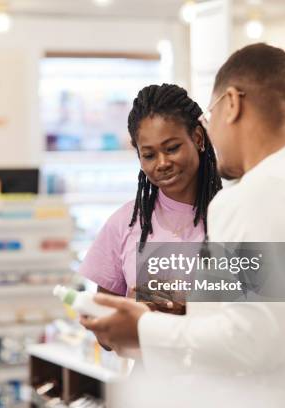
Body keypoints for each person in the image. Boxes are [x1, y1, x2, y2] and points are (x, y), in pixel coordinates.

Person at [81, 43, 285, 407]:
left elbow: (251, 339)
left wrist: (145, 327)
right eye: (148, 153)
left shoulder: (255, 197)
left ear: (232, 103)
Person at [78, 84, 222, 349]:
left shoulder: (232, 214)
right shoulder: (126, 223)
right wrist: (131, 313)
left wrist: (187, 308)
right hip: (149, 384)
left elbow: (257, 319)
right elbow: (106, 337)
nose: (162, 163)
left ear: (198, 138)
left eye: (172, 148)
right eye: (149, 154)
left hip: (221, 381)